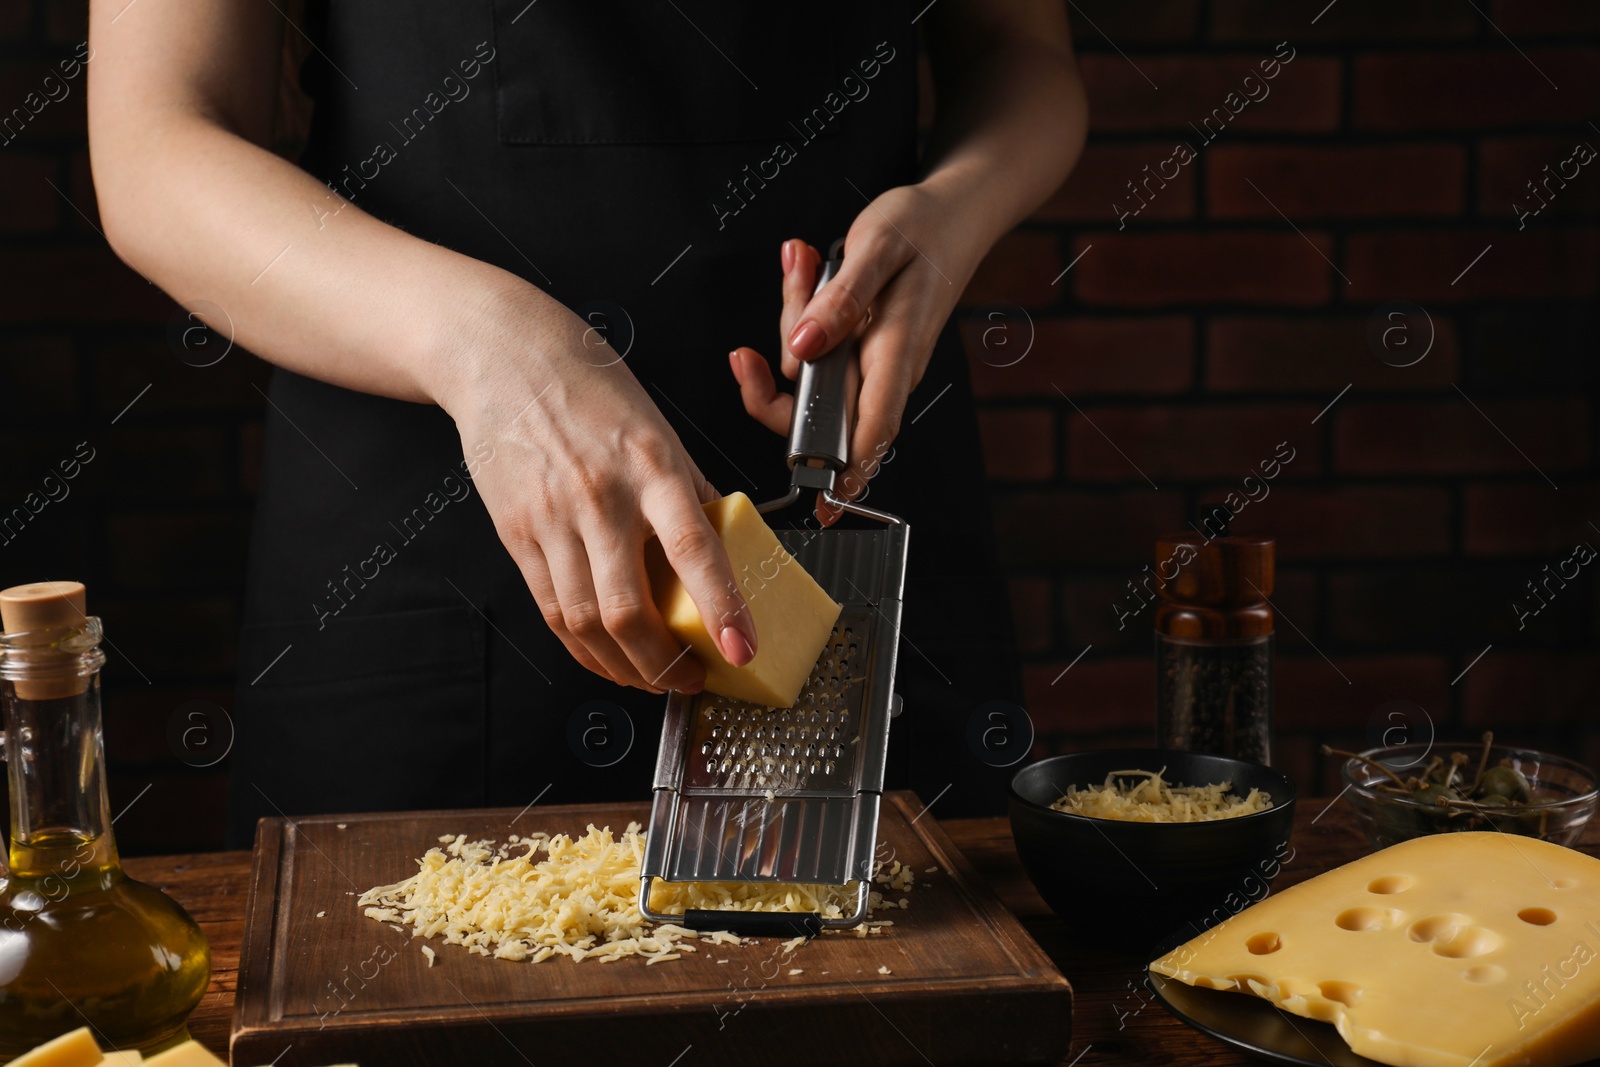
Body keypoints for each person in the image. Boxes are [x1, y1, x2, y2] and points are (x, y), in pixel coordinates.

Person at [86, 0, 1088, 845]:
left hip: (846, 490)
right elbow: (155, 140)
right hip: (420, 544)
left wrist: (950, 216)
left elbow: (1020, 56)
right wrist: (489, 352)